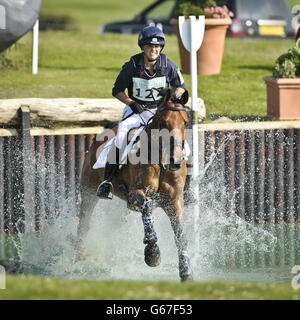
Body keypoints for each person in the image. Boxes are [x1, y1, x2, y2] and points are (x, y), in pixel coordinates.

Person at [96, 25, 187, 199]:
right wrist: (131, 102)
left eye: (157, 47)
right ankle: (107, 182)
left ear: (160, 48)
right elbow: (117, 90)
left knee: (182, 143)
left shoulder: (169, 65)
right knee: (122, 135)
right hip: (136, 111)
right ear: (143, 47)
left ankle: (185, 184)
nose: (153, 50)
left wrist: (175, 95)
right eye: (149, 46)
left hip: (160, 112)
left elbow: (181, 87)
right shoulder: (132, 65)